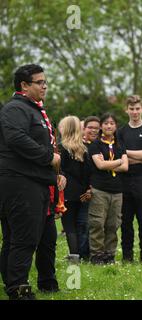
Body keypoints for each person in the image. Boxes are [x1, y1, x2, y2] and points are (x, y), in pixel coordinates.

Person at [0, 64, 64, 299]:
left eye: (45, 82)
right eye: (40, 82)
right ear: (24, 85)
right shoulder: (15, 108)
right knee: (23, 239)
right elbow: (15, 138)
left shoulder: (32, 109)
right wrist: (48, 157)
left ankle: (14, 282)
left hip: (33, 182)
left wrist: (56, 170)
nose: (45, 86)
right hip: (19, 183)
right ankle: (18, 288)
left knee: (19, 237)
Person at [117, 95, 142, 263]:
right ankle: (127, 256)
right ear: (127, 110)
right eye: (131, 109)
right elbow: (119, 158)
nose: (134, 112)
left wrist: (126, 153)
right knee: (126, 221)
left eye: (137, 108)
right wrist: (135, 156)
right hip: (124, 179)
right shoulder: (121, 132)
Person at [88, 113, 128, 264]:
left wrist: (108, 164)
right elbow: (100, 165)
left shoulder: (120, 145)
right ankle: (97, 255)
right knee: (97, 223)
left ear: (116, 126)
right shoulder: (95, 145)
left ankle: (109, 255)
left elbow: (125, 167)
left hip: (117, 191)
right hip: (100, 189)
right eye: (106, 123)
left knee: (113, 224)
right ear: (101, 126)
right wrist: (118, 161)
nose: (109, 126)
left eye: (112, 123)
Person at [58, 116, 91, 263]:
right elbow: (87, 173)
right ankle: (83, 254)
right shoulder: (84, 149)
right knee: (80, 225)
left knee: (69, 226)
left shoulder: (61, 148)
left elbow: (60, 170)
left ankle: (74, 257)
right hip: (82, 192)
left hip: (67, 192)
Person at [77, 116, 101, 260]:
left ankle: (94, 253)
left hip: (98, 189)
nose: (93, 130)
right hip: (82, 190)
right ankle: (81, 254)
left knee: (96, 224)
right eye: (90, 127)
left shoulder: (101, 145)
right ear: (84, 129)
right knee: (83, 223)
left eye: (96, 128)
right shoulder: (79, 146)